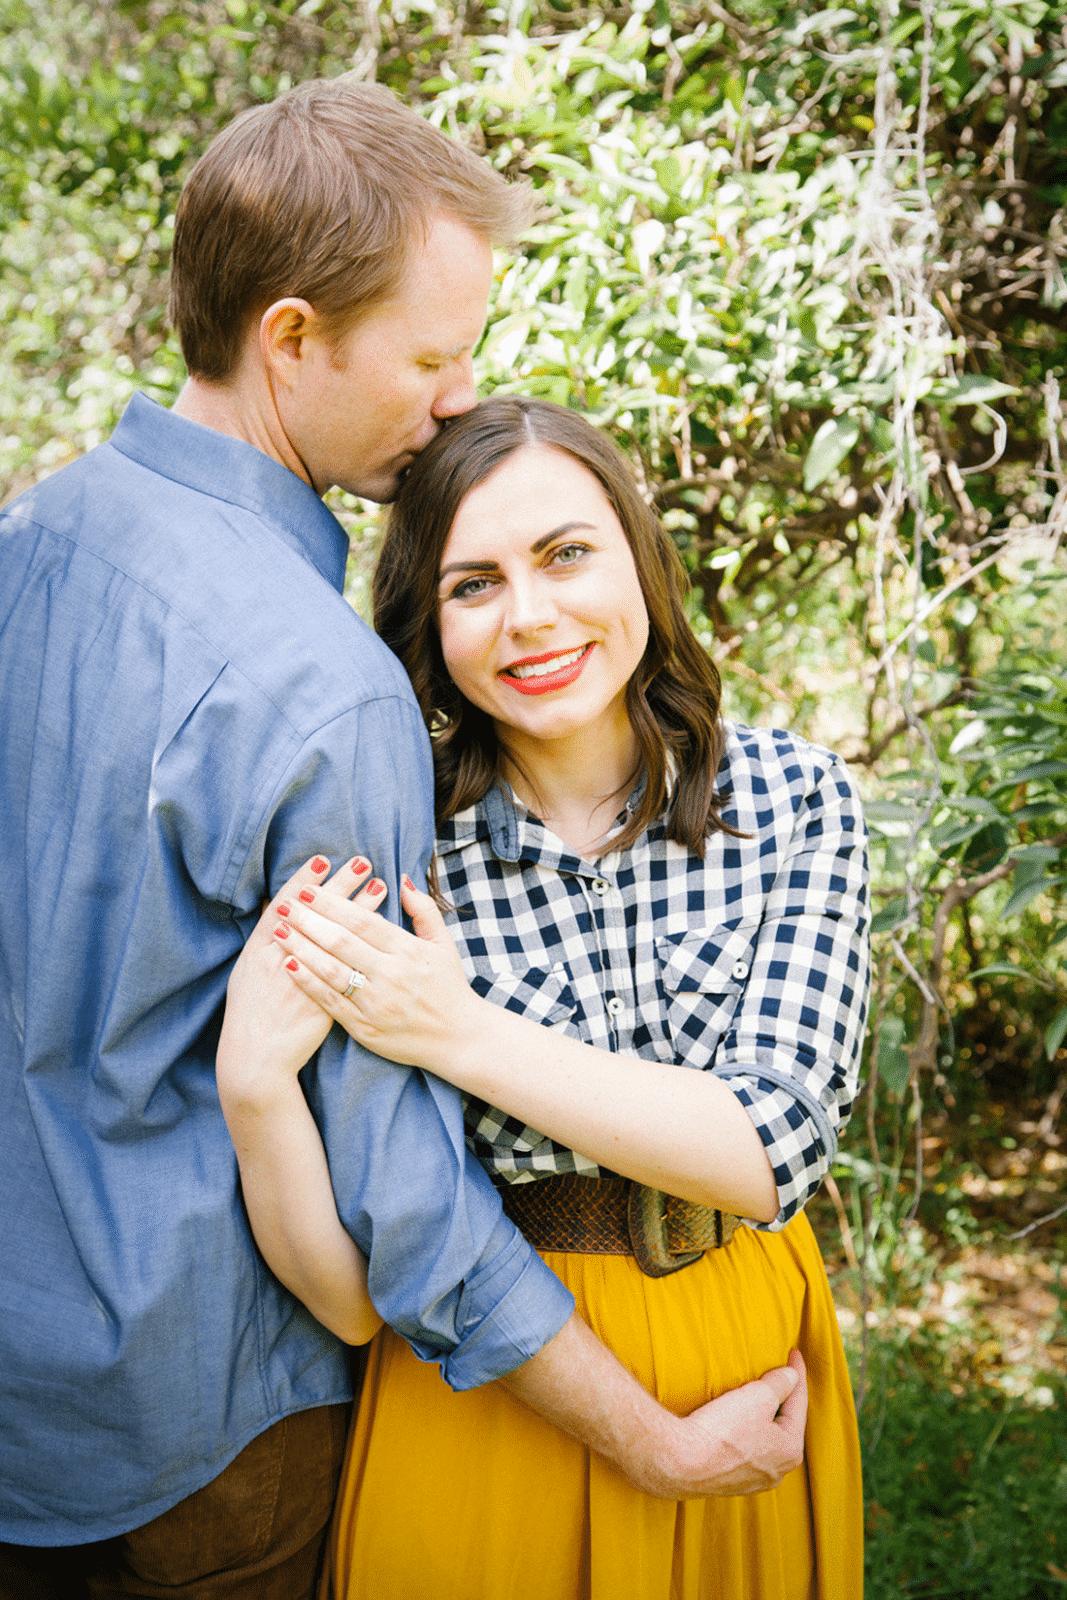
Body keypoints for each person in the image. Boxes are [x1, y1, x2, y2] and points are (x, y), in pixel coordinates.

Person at [0, 81, 806, 1598]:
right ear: (290, 338)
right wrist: (653, 1446)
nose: (457, 399)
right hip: (207, 1437)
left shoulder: (25, 545)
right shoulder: (321, 688)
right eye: (434, 357)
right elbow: (401, 1194)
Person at [219, 396, 871, 1600]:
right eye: (472, 584)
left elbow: (767, 1145)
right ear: (426, 623)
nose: (530, 616)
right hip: (488, 1389)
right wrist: (255, 1091)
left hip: (740, 1350)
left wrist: (457, 1030)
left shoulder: (791, 798)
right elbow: (356, 1302)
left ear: (637, 552)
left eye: (566, 553)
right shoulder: (398, 849)